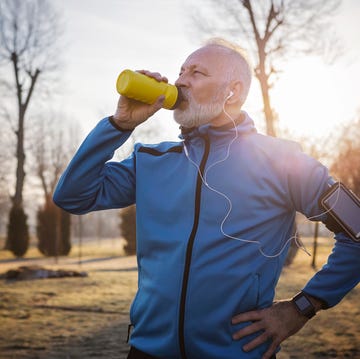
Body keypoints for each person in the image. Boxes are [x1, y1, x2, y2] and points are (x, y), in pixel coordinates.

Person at [53, 38, 360, 359]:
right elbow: (72, 196)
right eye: (181, 71)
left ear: (233, 91)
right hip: (146, 351)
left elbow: (357, 232)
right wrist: (119, 125)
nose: (180, 80)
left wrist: (302, 308)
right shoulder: (152, 160)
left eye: (197, 73)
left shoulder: (283, 160)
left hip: (236, 352)